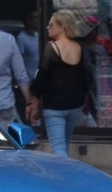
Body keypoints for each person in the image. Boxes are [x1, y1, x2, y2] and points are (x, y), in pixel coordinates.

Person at [29, 9, 89, 157]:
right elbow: (85, 75)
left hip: (55, 106)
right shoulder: (79, 47)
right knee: (64, 144)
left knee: (58, 148)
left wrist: (34, 105)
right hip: (74, 104)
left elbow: (41, 78)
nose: (47, 27)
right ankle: (67, 173)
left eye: (51, 25)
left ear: (62, 27)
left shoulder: (51, 49)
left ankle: (65, 177)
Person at [17, 11, 40, 84]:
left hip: (39, 77)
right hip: (29, 80)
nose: (38, 20)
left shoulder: (38, 36)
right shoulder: (21, 38)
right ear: (29, 21)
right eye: (36, 18)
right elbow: (19, 61)